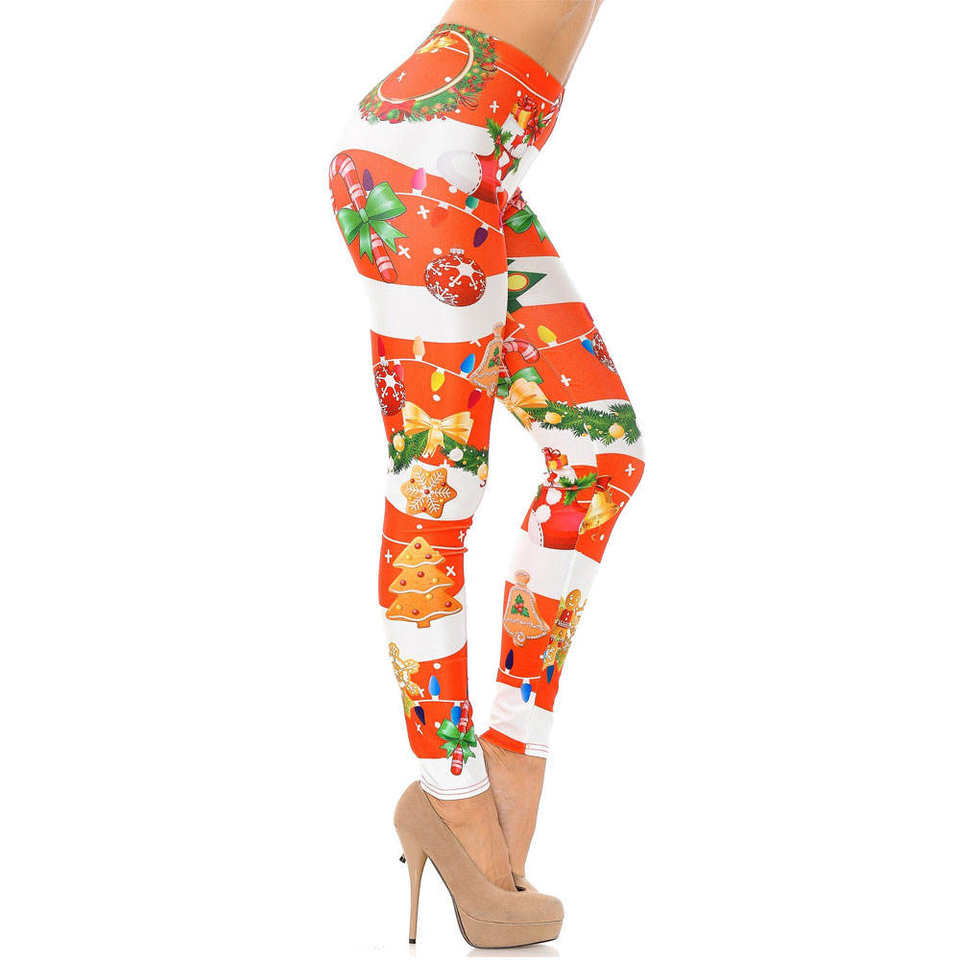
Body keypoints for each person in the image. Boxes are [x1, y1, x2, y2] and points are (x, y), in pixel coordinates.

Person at [328, 1, 644, 946]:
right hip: (427, 162)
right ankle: (451, 790)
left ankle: (511, 747)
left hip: (479, 161)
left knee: (600, 455)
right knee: (438, 487)